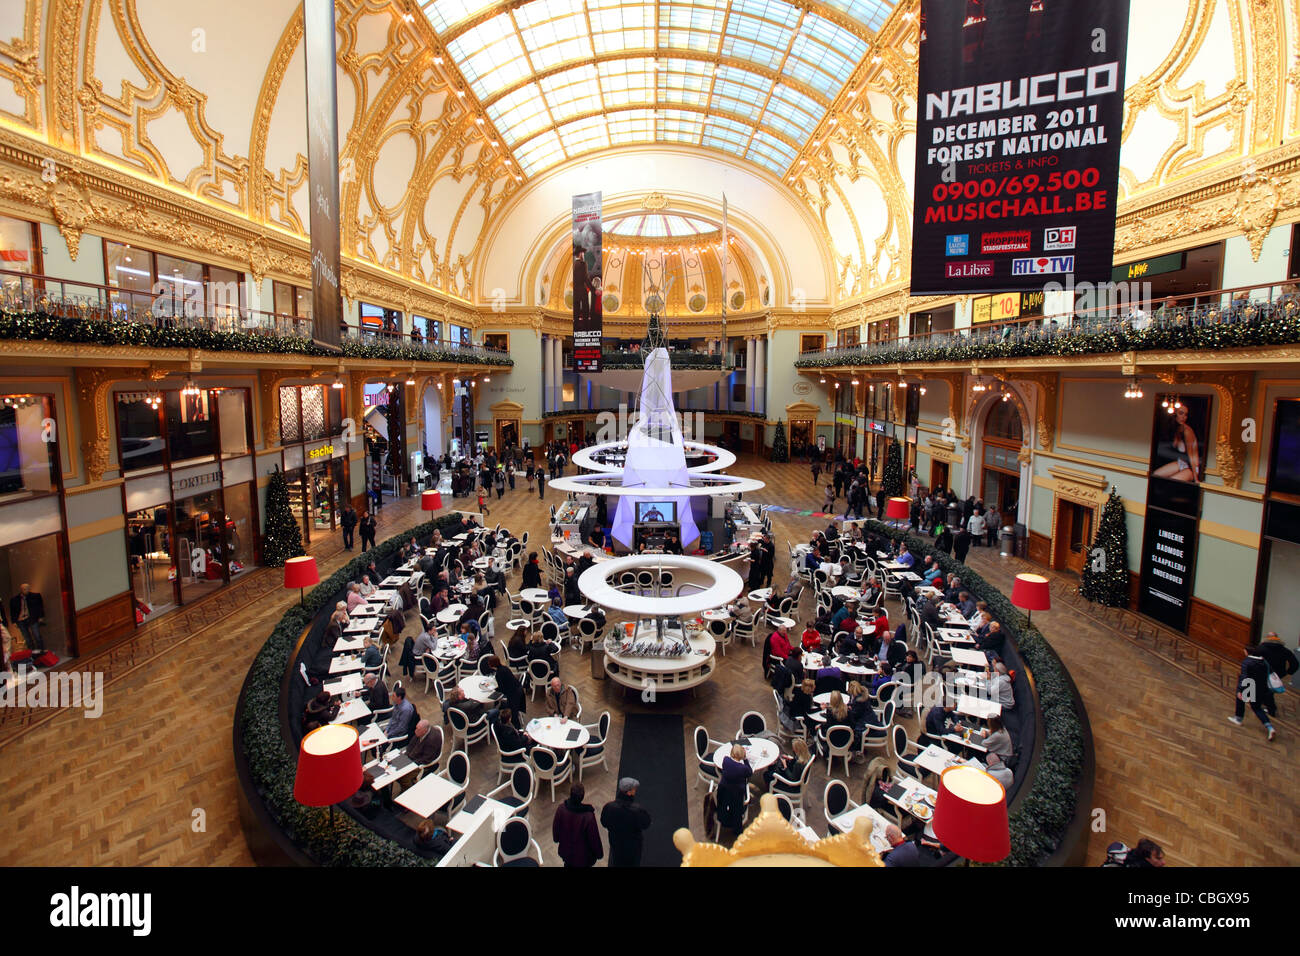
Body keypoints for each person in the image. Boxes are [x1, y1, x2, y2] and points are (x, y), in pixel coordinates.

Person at [1229, 643, 1277, 740]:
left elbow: (1244, 677)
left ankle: (1238, 718)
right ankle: (1270, 727)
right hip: (1261, 688)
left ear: (1247, 652)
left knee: (1240, 700)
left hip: (1249, 686)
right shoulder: (1264, 662)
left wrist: (1240, 690)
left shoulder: (1247, 662)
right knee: (1257, 708)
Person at [601, 777, 652, 867]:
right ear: (629, 792)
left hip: (616, 843)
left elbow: (604, 822)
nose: (635, 790)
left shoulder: (608, 807)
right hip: (633, 847)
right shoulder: (637, 811)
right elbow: (646, 823)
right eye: (634, 789)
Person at [552, 781, 604, 867]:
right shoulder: (588, 816)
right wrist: (599, 854)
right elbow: (594, 838)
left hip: (567, 853)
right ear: (582, 796)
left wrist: (556, 839)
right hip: (583, 858)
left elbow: (556, 828)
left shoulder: (561, 809)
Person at [715, 743, 753, 833]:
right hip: (737, 796)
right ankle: (737, 830)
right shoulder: (743, 768)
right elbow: (750, 772)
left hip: (723, 792)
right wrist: (745, 759)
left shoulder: (725, 760)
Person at [1257, 631, 1298, 701]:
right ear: (1277, 638)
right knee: (1271, 688)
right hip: (1278, 673)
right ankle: (1268, 702)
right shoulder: (1285, 650)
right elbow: (1295, 663)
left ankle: (1267, 704)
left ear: (1267, 638)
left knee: (1262, 687)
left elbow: (1254, 660)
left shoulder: (1260, 648)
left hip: (1263, 672)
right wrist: (1289, 672)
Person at [9, 584, 45, 653]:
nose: (26, 590)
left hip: (32, 618)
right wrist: (14, 621)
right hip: (21, 619)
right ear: (21, 589)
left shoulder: (35, 596)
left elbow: (40, 607)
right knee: (27, 637)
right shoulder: (14, 599)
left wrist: (41, 616)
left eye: (27, 588)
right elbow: (12, 611)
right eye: (24, 589)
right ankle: (32, 652)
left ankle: (41, 650)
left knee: (36, 635)